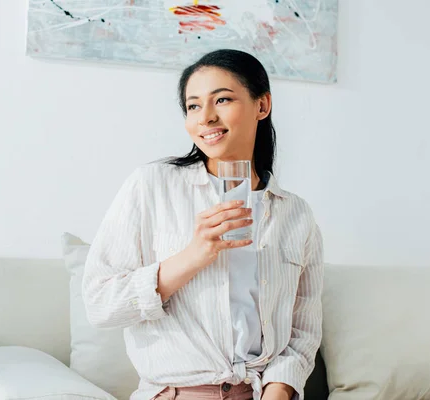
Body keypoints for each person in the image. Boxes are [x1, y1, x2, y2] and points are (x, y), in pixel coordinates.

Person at [82, 49, 324, 400]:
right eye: (193, 106)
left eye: (222, 100)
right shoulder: (152, 185)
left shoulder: (296, 215)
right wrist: (193, 256)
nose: (206, 117)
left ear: (262, 105)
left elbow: (303, 332)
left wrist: (279, 391)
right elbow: (100, 304)